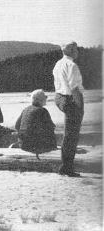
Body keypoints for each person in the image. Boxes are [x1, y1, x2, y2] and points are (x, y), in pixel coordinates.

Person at [53, 41, 85, 177]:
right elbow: (74, 88)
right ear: (71, 50)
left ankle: (66, 166)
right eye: (75, 49)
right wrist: (80, 106)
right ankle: (66, 167)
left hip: (59, 97)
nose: (77, 51)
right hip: (69, 99)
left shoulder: (58, 64)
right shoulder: (72, 65)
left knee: (69, 134)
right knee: (72, 135)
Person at [15, 89, 57, 159]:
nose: (46, 99)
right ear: (40, 100)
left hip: (22, 144)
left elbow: (17, 126)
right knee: (50, 131)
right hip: (34, 146)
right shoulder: (42, 111)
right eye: (45, 97)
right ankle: (52, 148)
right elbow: (50, 127)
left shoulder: (26, 109)